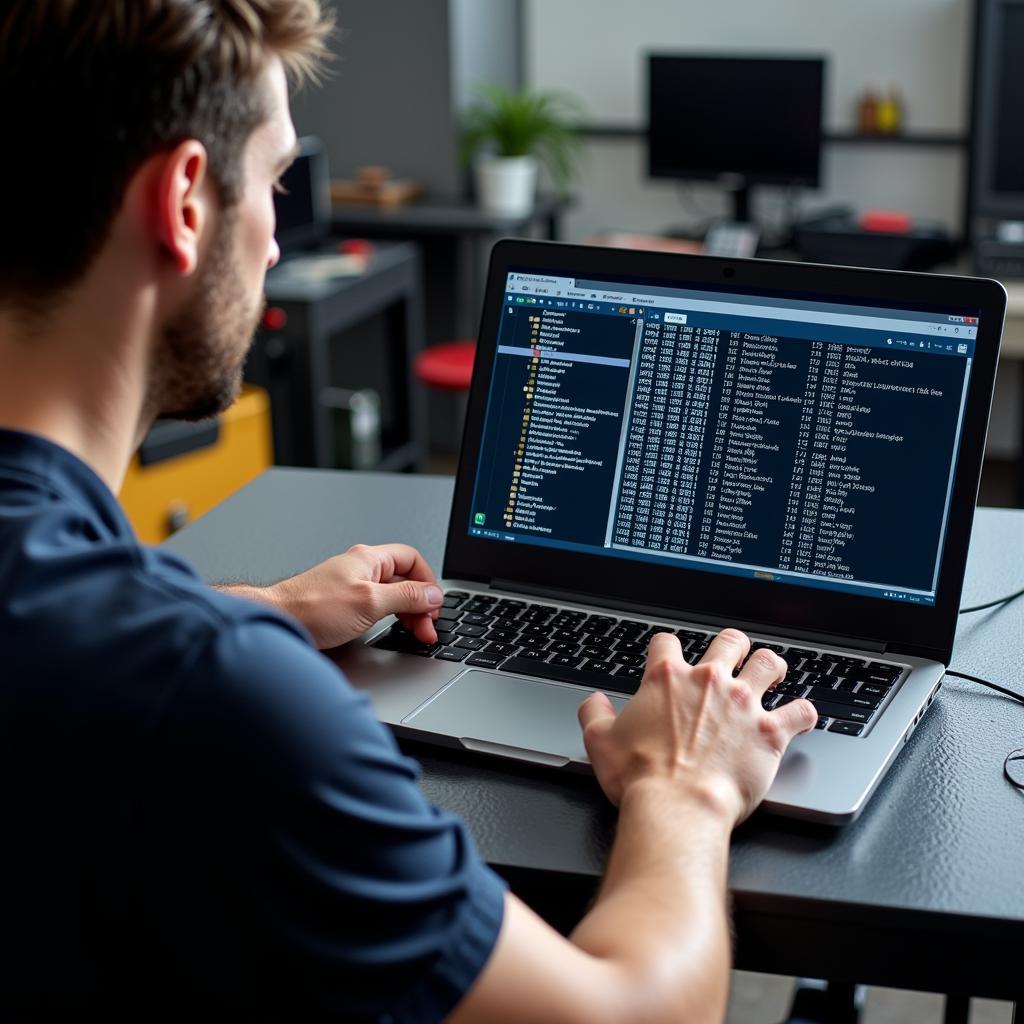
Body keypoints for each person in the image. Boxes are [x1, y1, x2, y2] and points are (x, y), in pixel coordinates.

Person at [0, 2, 818, 1020]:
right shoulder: (224, 701)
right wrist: (686, 791)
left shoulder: (108, 625)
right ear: (183, 203)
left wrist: (260, 607)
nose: (272, 240)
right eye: (275, 180)